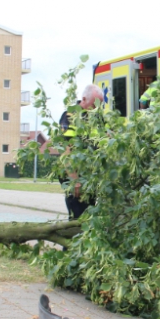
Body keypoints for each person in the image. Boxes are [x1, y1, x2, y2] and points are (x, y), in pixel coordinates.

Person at [59, 84, 103, 219]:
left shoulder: (98, 118)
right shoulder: (70, 116)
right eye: (94, 105)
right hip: (75, 175)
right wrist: (74, 180)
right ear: (84, 99)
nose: (96, 109)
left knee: (90, 215)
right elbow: (67, 151)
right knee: (79, 218)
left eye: (99, 105)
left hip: (90, 176)